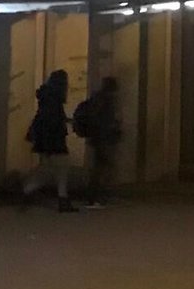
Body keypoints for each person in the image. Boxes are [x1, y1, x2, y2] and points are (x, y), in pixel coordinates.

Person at [21, 68, 76, 211]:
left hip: (46, 140)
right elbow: (53, 120)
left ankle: (28, 191)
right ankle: (62, 199)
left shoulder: (48, 97)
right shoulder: (54, 99)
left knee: (48, 169)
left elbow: (46, 118)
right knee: (61, 168)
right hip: (54, 139)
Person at [73, 75, 122, 204]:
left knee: (100, 167)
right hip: (103, 138)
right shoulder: (105, 100)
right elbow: (103, 120)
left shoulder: (98, 98)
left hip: (98, 138)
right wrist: (111, 128)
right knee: (102, 167)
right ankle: (95, 196)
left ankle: (95, 195)